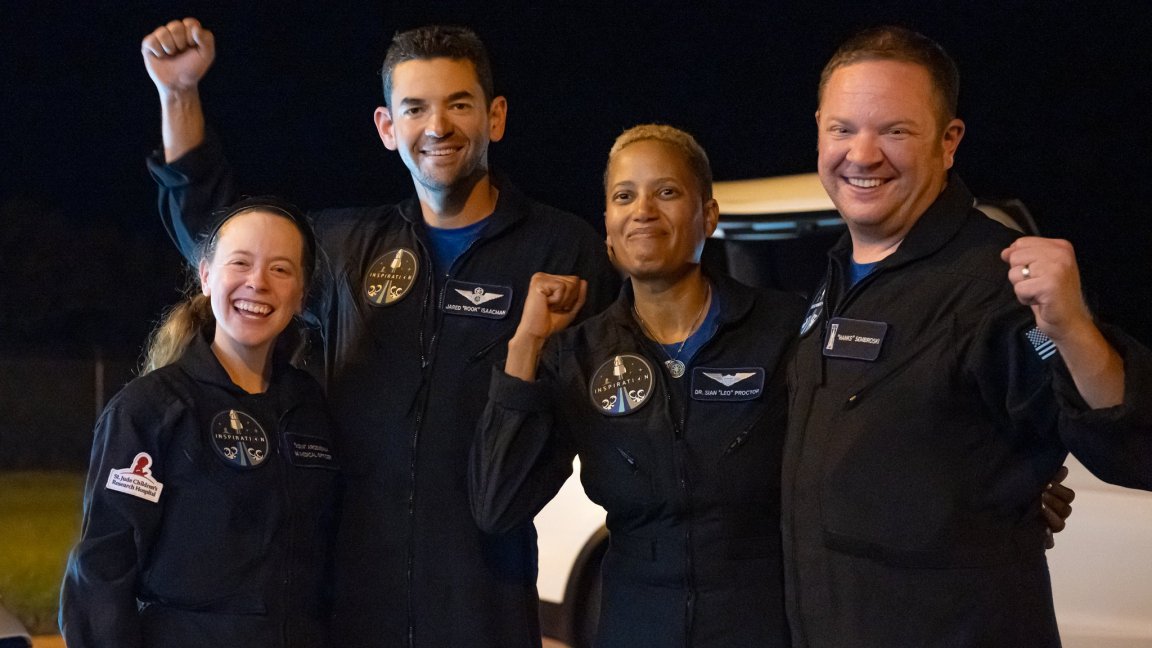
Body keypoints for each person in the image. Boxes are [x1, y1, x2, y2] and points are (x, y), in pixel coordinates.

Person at [140, 18, 618, 648]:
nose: (438, 126)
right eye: (415, 108)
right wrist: (178, 95)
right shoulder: (346, 249)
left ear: (495, 117)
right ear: (387, 128)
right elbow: (222, 239)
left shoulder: (562, 252)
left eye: (459, 105)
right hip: (350, 601)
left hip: (484, 601)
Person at [782, 26, 1152, 647]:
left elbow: (1130, 445)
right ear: (819, 129)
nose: (862, 155)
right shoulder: (837, 276)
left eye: (895, 131)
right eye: (843, 129)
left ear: (948, 141)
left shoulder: (996, 284)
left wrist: (1072, 329)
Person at [471, 124, 804, 647]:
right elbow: (497, 504)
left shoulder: (782, 330)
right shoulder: (579, 355)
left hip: (760, 622)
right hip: (636, 624)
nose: (643, 210)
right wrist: (527, 344)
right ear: (607, 226)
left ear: (708, 216)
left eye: (666, 192)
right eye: (624, 196)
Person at [60, 197, 340, 648]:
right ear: (207, 276)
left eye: (280, 269)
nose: (258, 282)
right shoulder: (150, 410)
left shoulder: (311, 408)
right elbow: (101, 574)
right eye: (240, 263)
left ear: (302, 295)